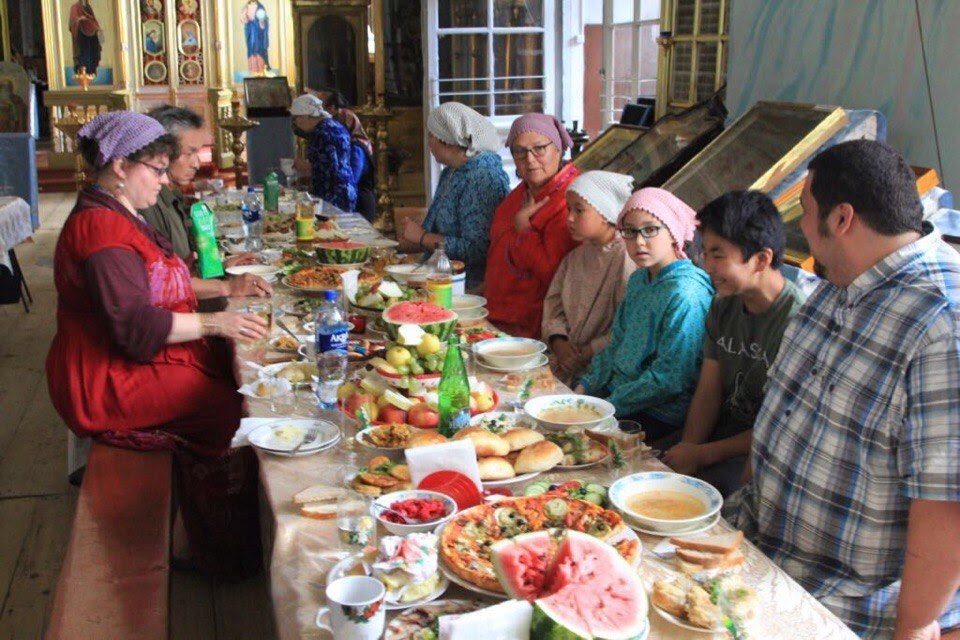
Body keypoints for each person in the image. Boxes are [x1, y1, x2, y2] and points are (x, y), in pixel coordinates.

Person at [726, 140, 960, 638]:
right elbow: (780, 413)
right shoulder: (838, 284)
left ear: (841, 219)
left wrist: (914, 628)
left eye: (806, 211)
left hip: (837, 603)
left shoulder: (942, 322)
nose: (801, 228)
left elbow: (947, 505)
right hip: (755, 550)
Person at [46, 111, 269, 578]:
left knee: (235, 378)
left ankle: (209, 528)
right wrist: (216, 324)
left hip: (120, 360)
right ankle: (212, 548)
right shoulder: (101, 230)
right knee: (229, 413)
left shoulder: (117, 211)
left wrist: (227, 287)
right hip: (104, 378)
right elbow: (134, 327)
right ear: (121, 166)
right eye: (158, 169)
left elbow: (161, 281)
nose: (165, 180)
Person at [661, 191, 804, 496]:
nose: (706, 265)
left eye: (718, 255)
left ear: (761, 259)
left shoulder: (797, 323)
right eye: (705, 253)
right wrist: (689, 449)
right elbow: (709, 390)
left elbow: (777, 425)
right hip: (718, 432)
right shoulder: (723, 304)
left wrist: (703, 455)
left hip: (758, 450)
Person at [575, 188, 713, 442]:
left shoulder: (686, 293)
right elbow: (617, 344)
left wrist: (606, 407)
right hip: (617, 396)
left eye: (650, 230)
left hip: (658, 411)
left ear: (672, 231)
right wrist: (585, 387)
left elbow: (670, 378)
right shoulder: (640, 279)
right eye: (630, 231)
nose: (639, 241)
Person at [139, 105, 264, 284]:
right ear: (162, 151)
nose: (196, 164)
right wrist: (227, 287)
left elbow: (184, 270)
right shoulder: (149, 203)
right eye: (190, 152)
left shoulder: (171, 194)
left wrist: (221, 268)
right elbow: (161, 285)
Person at [484, 113, 581, 338]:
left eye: (539, 148)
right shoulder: (523, 192)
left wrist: (524, 229)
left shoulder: (573, 199)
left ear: (558, 149)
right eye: (520, 151)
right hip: (495, 316)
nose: (529, 159)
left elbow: (554, 275)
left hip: (535, 329)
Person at [400, 102, 510, 290]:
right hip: (439, 276)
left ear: (446, 141)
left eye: (431, 136)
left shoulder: (482, 179)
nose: (429, 143)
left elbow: (477, 249)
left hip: (469, 286)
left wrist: (422, 237)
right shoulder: (451, 171)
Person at [542, 170, 636, 386]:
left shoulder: (626, 258)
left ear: (605, 212)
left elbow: (627, 324)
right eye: (569, 209)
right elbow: (554, 306)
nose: (569, 218)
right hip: (563, 361)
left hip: (601, 371)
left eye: (579, 210)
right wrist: (559, 342)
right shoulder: (574, 258)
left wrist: (588, 352)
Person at [290, 94, 362, 213]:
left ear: (306, 116)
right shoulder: (336, 126)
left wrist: (305, 167)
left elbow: (329, 169)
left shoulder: (320, 133)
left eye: (296, 118)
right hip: (347, 190)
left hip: (332, 194)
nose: (296, 123)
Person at [68, 0, 102, 76]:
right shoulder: (75, 7)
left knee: (92, 53)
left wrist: (95, 26)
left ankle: (91, 71)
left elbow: (93, 20)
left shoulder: (88, 7)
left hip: (91, 36)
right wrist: (79, 19)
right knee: (83, 55)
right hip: (81, 35)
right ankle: (84, 72)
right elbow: (73, 21)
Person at [241, 0, 269, 73]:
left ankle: (261, 70)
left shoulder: (260, 7)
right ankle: (253, 71)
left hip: (258, 34)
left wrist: (260, 21)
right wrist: (247, 18)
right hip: (250, 33)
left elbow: (263, 22)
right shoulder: (246, 7)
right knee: (251, 51)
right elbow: (243, 20)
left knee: (259, 51)